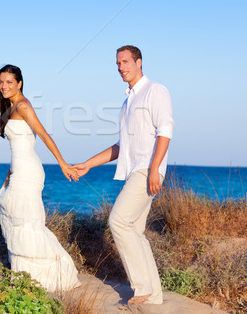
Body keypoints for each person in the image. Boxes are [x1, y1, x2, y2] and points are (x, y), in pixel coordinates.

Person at [73, 45, 174, 305]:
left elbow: (165, 132)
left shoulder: (155, 90)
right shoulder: (127, 102)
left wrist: (154, 169)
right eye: (118, 63)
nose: (121, 67)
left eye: (126, 62)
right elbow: (121, 147)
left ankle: (141, 289)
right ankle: (154, 297)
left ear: (139, 62)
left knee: (118, 221)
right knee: (136, 232)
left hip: (147, 169)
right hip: (135, 171)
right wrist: (88, 164)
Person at [0, 64, 81, 292]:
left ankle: (49, 277)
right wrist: (9, 174)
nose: (4, 86)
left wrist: (63, 163)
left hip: (29, 171)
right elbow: (17, 147)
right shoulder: (10, 108)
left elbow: (44, 135)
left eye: (9, 82)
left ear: (19, 83)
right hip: (18, 168)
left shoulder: (23, 106)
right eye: (1, 82)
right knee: (15, 216)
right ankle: (23, 278)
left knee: (27, 223)